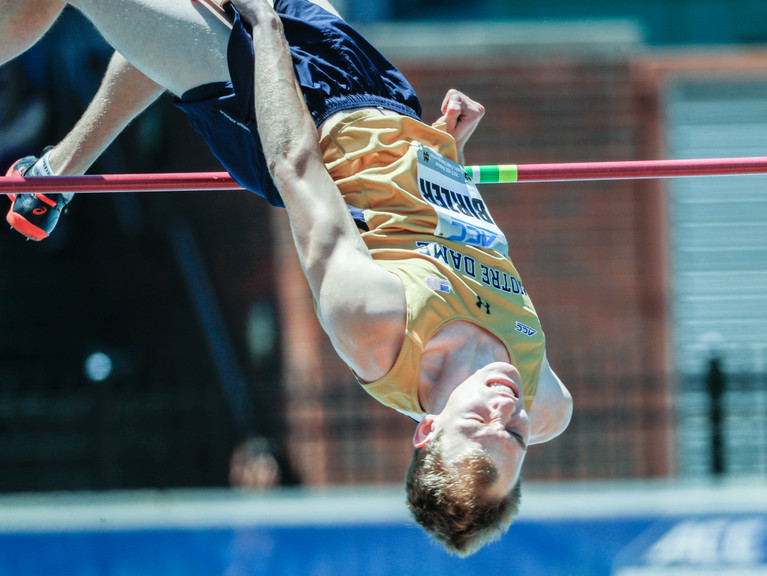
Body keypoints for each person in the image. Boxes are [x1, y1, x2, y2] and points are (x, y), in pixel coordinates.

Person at [0, 0, 572, 556]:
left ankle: (56, 175)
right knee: (168, 31)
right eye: (516, 435)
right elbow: (447, 239)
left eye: (480, 421)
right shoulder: (546, 399)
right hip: (382, 94)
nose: (506, 409)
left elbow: (294, 162)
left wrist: (263, 22)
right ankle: (55, 176)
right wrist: (445, 151)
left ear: (426, 430)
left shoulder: (376, 323)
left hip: (293, 115)